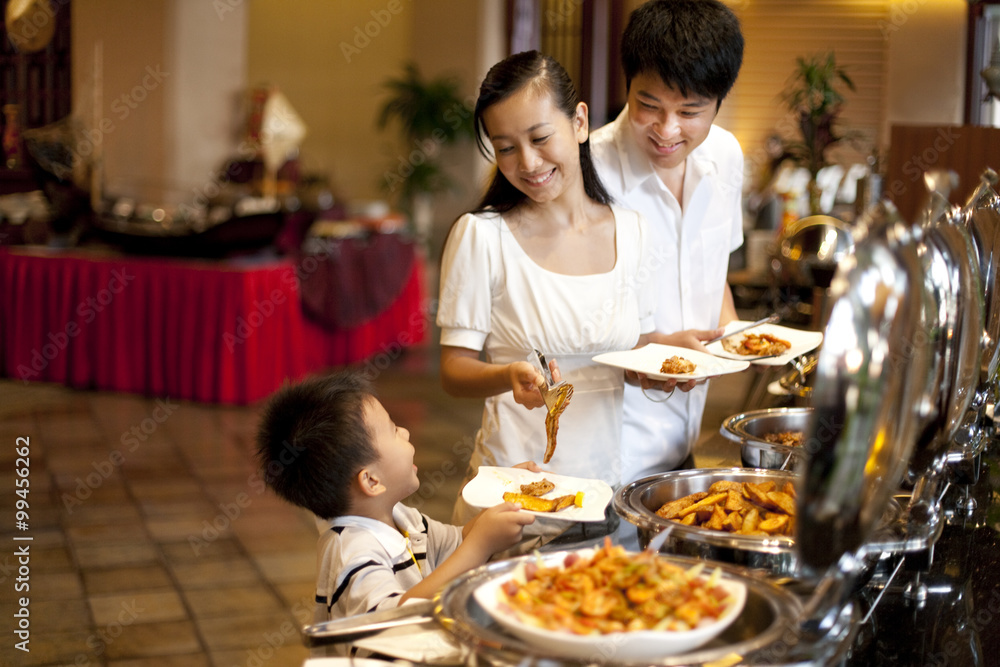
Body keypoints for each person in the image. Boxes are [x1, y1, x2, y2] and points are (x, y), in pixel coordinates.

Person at [436, 50, 658, 541]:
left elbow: (638, 348)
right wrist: (506, 373)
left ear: (579, 122)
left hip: (605, 496)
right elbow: (454, 371)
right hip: (512, 501)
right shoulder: (482, 236)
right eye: (506, 147)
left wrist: (671, 361)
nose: (528, 163)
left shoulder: (634, 231)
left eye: (540, 138)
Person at [590, 0, 746, 482]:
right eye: (648, 105)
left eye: (690, 111)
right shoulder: (588, 170)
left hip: (684, 439)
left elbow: (711, 272)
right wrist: (653, 348)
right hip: (607, 449)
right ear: (627, 85)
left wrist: (737, 338)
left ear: (719, 102)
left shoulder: (725, 156)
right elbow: (564, 319)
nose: (667, 130)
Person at [254, 371, 534, 628]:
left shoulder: (402, 518)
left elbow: (456, 545)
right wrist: (481, 544)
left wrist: (504, 492)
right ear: (371, 481)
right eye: (393, 430)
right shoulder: (351, 553)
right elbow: (394, 619)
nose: (406, 432)